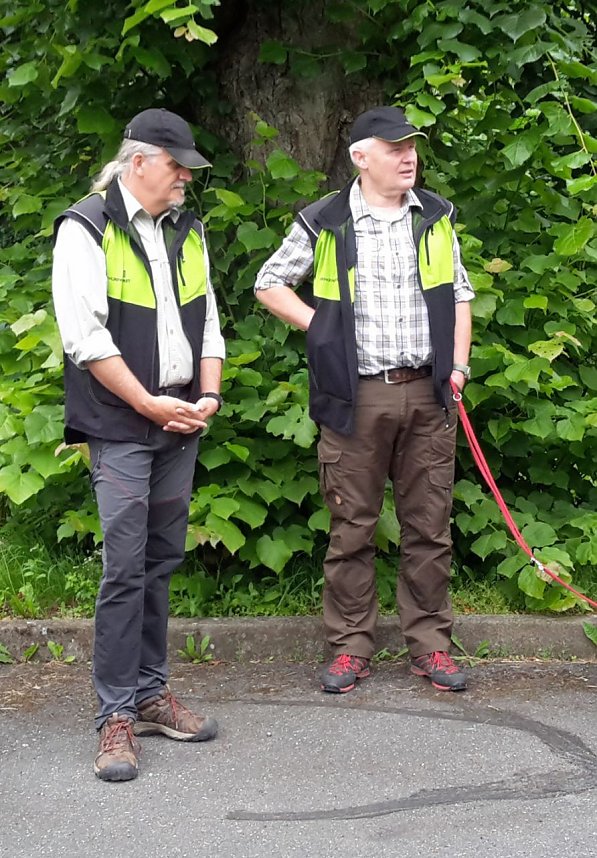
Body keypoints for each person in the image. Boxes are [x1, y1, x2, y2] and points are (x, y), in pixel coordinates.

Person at [254, 106, 474, 694]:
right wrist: (322, 328)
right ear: (360, 157)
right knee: (352, 527)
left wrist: (457, 366)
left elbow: (459, 294)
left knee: (429, 527)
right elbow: (269, 282)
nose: (409, 158)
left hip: (429, 391)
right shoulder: (324, 220)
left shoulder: (435, 216)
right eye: (395, 148)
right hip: (356, 396)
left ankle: (430, 645)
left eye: (412, 148)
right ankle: (350, 647)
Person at [52, 108, 225, 781]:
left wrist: (207, 395)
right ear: (139, 163)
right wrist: (148, 403)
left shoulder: (187, 228)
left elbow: (208, 323)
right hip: (121, 423)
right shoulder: (86, 227)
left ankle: (151, 694)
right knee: (125, 568)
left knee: (160, 561)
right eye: (176, 166)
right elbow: (85, 337)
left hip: (180, 420)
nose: (185, 178)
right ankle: (116, 715)